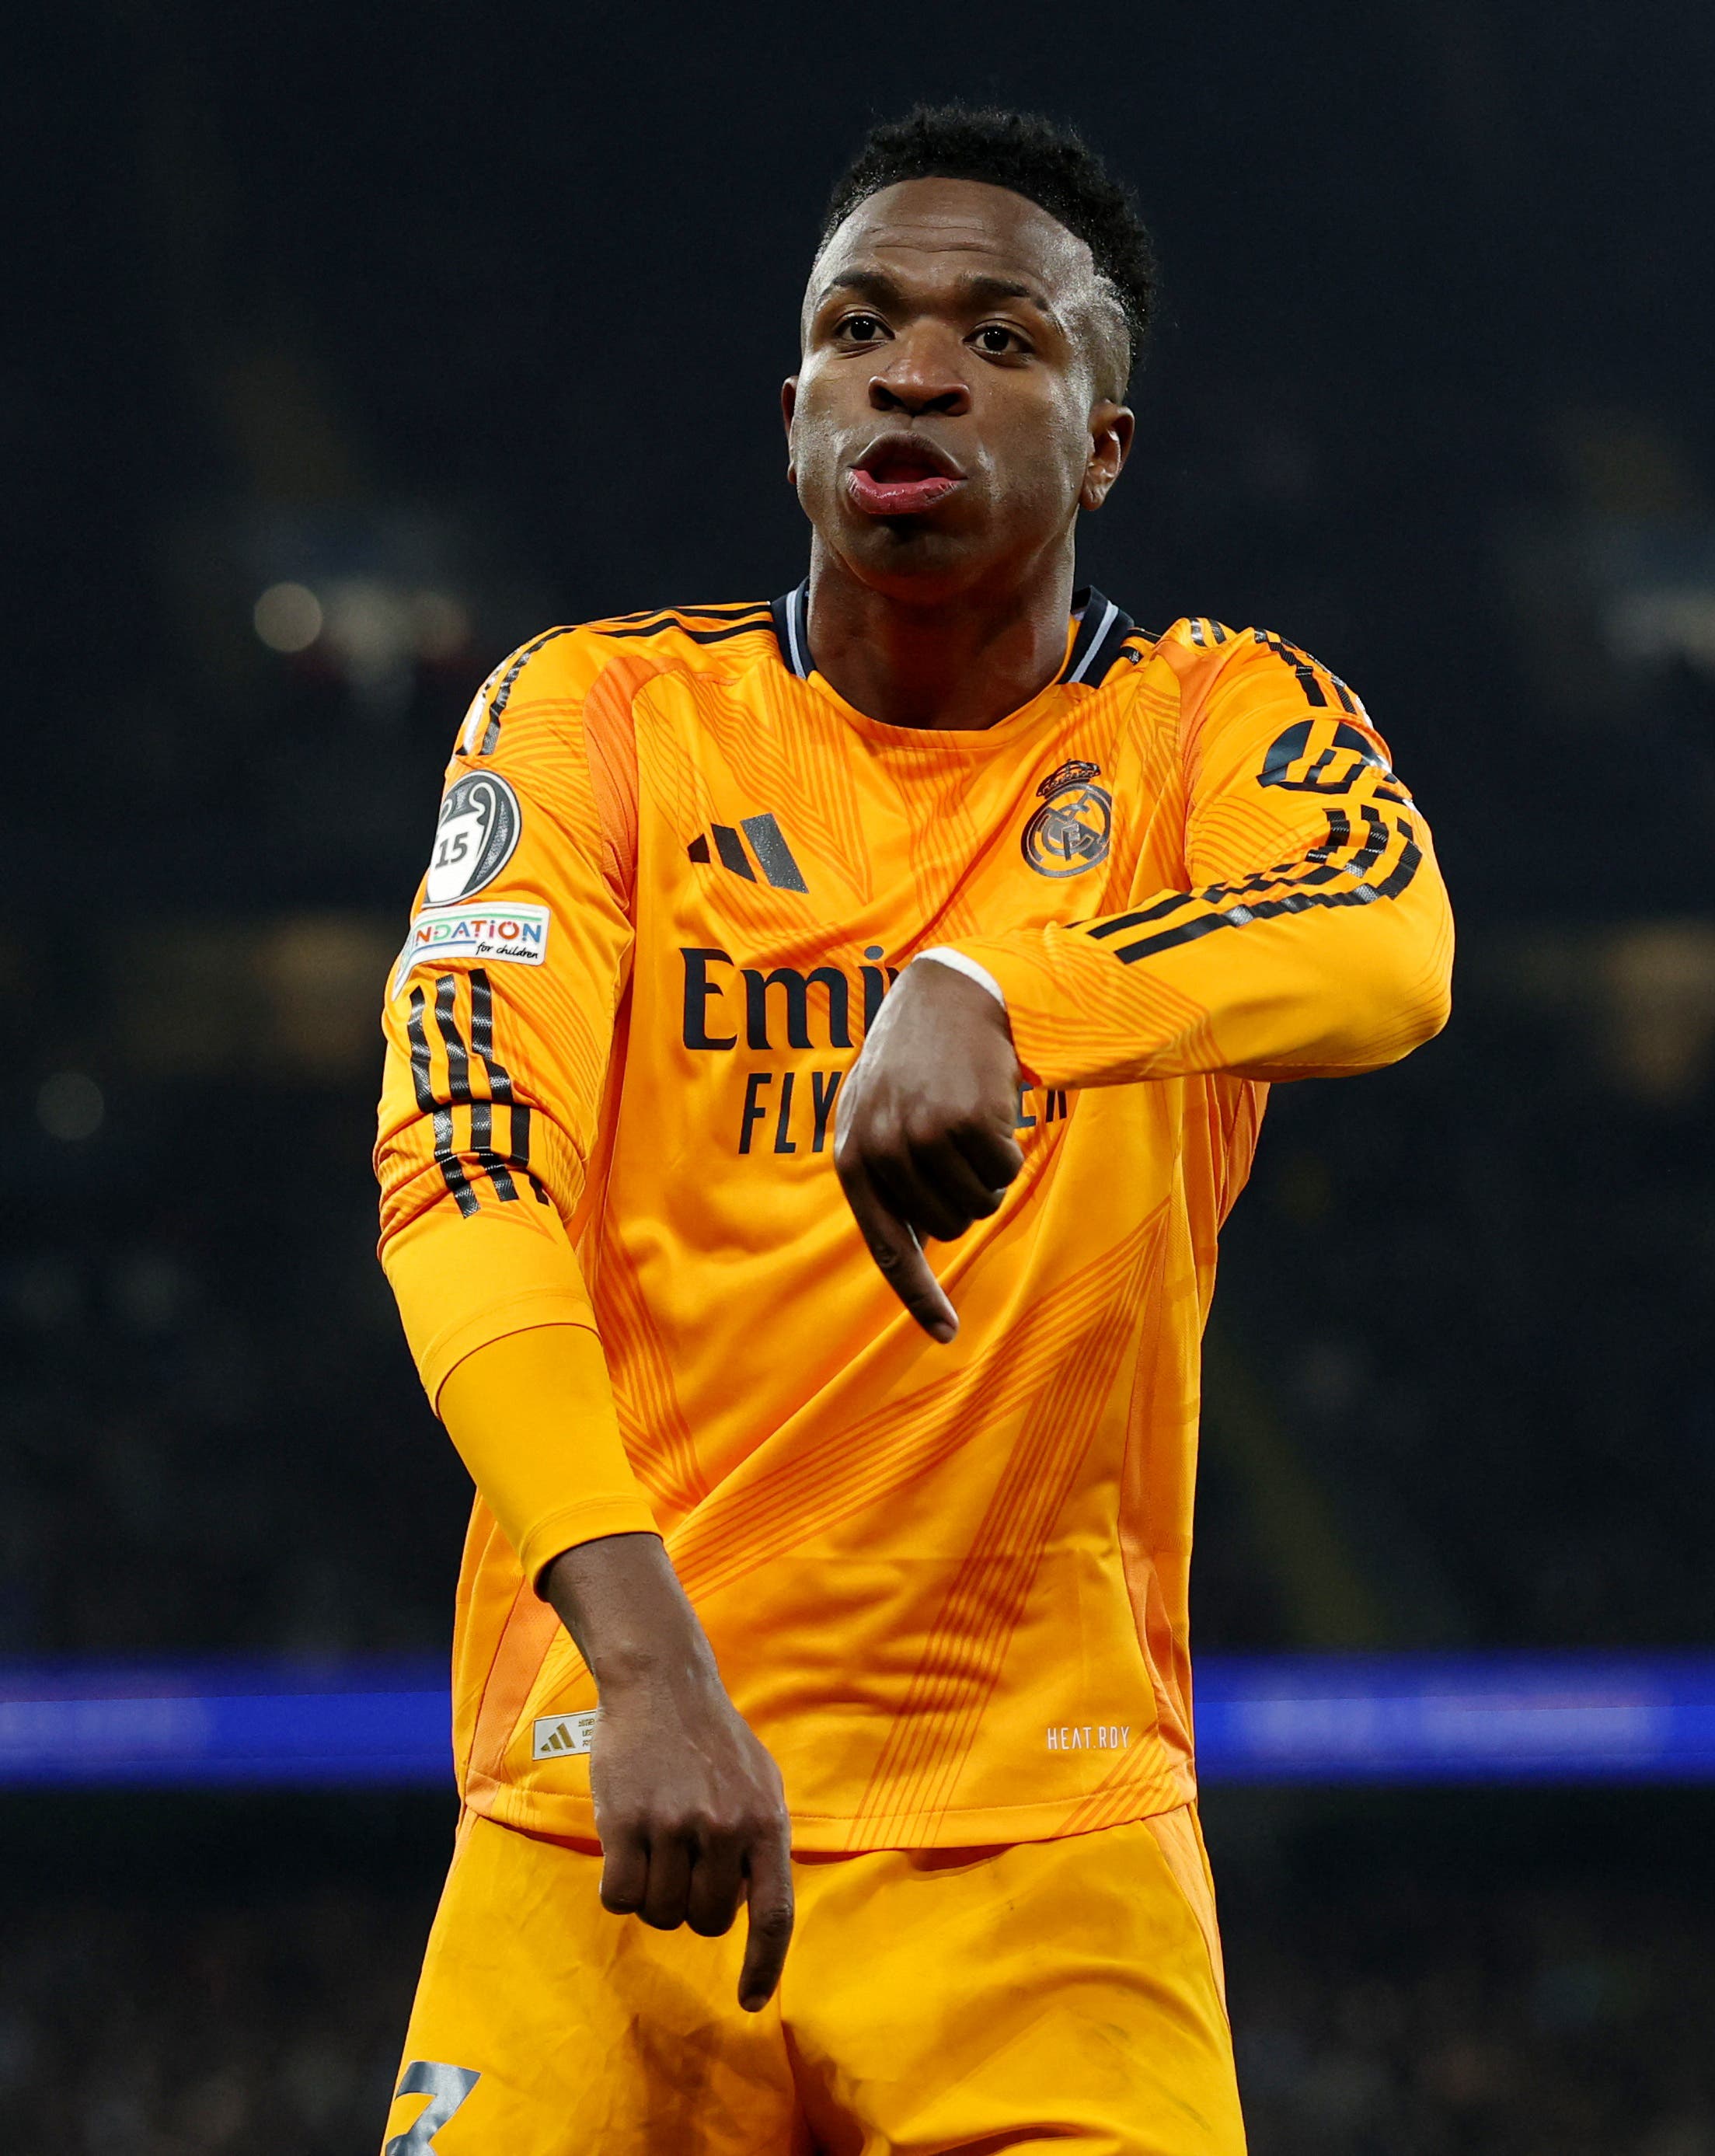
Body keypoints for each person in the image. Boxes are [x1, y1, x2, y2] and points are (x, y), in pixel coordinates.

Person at [375, 103, 1452, 2156]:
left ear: (1103, 442)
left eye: (1000, 336)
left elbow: (1387, 949)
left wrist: (998, 995)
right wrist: (645, 1664)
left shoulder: (1216, 724)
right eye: (860, 327)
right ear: (794, 413)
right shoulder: (594, 717)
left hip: (1047, 1848)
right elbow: (464, 1169)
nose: (916, 366)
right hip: (607, 1806)